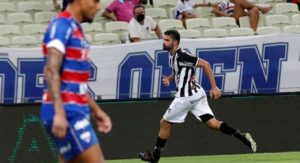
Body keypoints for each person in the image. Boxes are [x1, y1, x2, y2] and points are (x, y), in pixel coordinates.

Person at [137, 29, 257, 163]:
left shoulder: (182, 56)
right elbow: (179, 71)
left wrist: (214, 87)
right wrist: (170, 79)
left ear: (175, 43)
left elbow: (205, 64)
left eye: (167, 40)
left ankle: (154, 156)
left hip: (186, 97)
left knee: (164, 122)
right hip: (197, 93)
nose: (163, 42)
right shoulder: (172, 55)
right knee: (212, 122)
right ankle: (241, 135)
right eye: (163, 39)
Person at [40, 0, 112, 163]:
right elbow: (51, 70)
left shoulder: (75, 29)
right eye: (95, 1)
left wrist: (96, 111)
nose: (99, 7)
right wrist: (59, 112)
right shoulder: (61, 26)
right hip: (67, 111)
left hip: (74, 110)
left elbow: (76, 82)